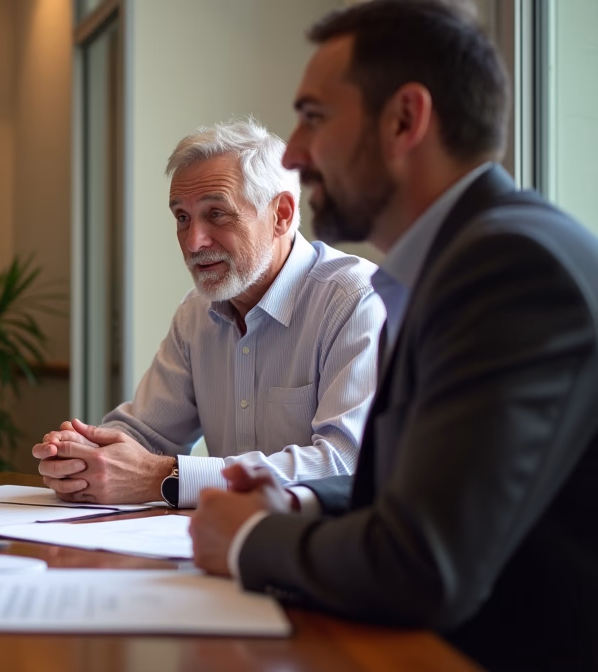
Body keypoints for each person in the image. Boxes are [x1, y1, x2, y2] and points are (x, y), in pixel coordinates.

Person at [188, 2, 598, 670]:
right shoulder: (454, 262)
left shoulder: (510, 269)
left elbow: (425, 563)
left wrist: (254, 539)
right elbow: (429, 489)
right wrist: (297, 499)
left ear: (405, 118)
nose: (293, 151)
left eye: (313, 117)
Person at [33, 120, 384, 507]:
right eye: (182, 217)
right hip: (215, 544)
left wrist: (164, 477)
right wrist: (84, 454)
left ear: (281, 214)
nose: (194, 241)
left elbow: (345, 464)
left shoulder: (355, 299)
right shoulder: (196, 314)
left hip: (323, 553)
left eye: (216, 213)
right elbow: (146, 433)